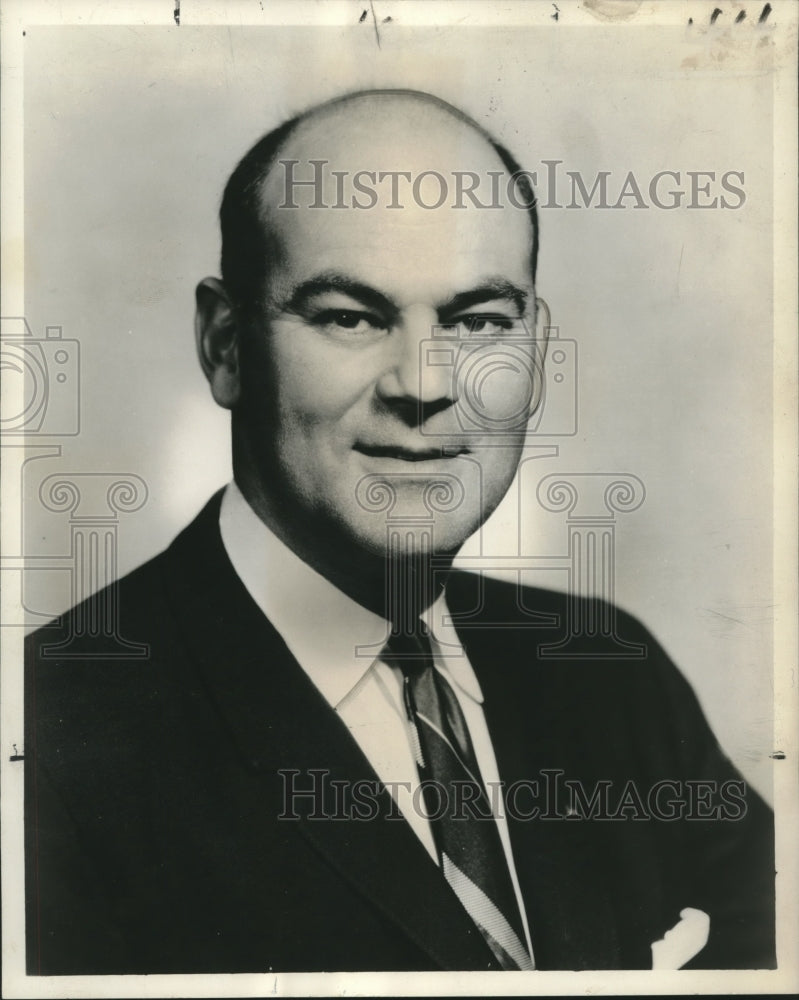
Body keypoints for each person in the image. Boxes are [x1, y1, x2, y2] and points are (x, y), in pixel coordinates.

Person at [25, 89, 775, 975]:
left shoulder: (613, 679)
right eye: (350, 316)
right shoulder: (48, 737)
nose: (423, 384)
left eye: (477, 322)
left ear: (534, 351)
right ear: (226, 345)